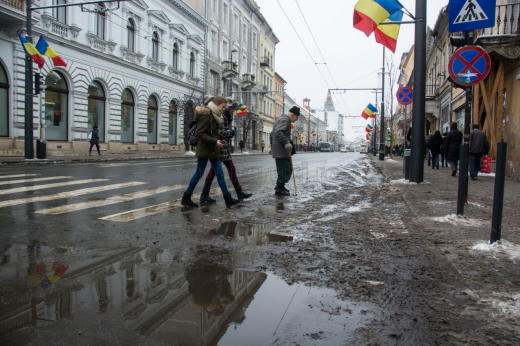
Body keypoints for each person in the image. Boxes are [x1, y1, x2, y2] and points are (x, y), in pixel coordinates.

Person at [181, 96, 239, 208]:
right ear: (216, 104)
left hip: (212, 149)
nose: (224, 109)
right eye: (223, 106)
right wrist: (214, 141)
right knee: (199, 173)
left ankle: (228, 199)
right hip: (204, 149)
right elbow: (200, 133)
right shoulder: (206, 114)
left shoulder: (216, 115)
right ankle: (186, 197)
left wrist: (218, 141)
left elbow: (213, 133)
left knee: (220, 174)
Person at [201, 100, 253, 203]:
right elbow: (219, 133)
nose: (234, 112)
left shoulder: (228, 116)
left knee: (228, 170)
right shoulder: (222, 116)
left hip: (224, 147)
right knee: (214, 172)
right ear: (231, 108)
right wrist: (231, 132)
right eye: (233, 110)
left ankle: (238, 192)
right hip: (220, 147)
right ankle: (205, 194)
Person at [270, 105, 299, 196]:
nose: (296, 120)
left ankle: (281, 186)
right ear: (293, 115)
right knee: (285, 169)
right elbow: (278, 132)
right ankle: (279, 188)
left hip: (279, 150)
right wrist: (286, 142)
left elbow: (272, 134)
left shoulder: (280, 119)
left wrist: (272, 146)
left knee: (284, 169)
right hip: (281, 150)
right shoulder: (285, 120)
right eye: (297, 118)